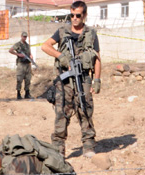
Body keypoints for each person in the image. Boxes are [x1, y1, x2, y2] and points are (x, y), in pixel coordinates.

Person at [41, 0, 101, 158]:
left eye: (78, 15)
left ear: (84, 16)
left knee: (85, 108)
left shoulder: (91, 33)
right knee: (62, 112)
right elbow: (45, 46)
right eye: (72, 15)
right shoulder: (62, 31)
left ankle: (88, 144)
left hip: (84, 79)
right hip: (65, 81)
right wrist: (62, 56)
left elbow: (97, 58)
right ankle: (58, 148)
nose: (74, 18)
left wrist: (97, 80)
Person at [9, 32, 33, 100]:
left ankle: (27, 94)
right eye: (23, 36)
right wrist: (18, 54)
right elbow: (10, 50)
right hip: (21, 64)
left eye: (25, 37)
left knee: (28, 79)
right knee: (19, 79)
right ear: (21, 36)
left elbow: (29, 53)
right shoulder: (18, 44)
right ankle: (18, 94)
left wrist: (31, 56)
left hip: (27, 64)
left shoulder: (27, 45)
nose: (24, 38)